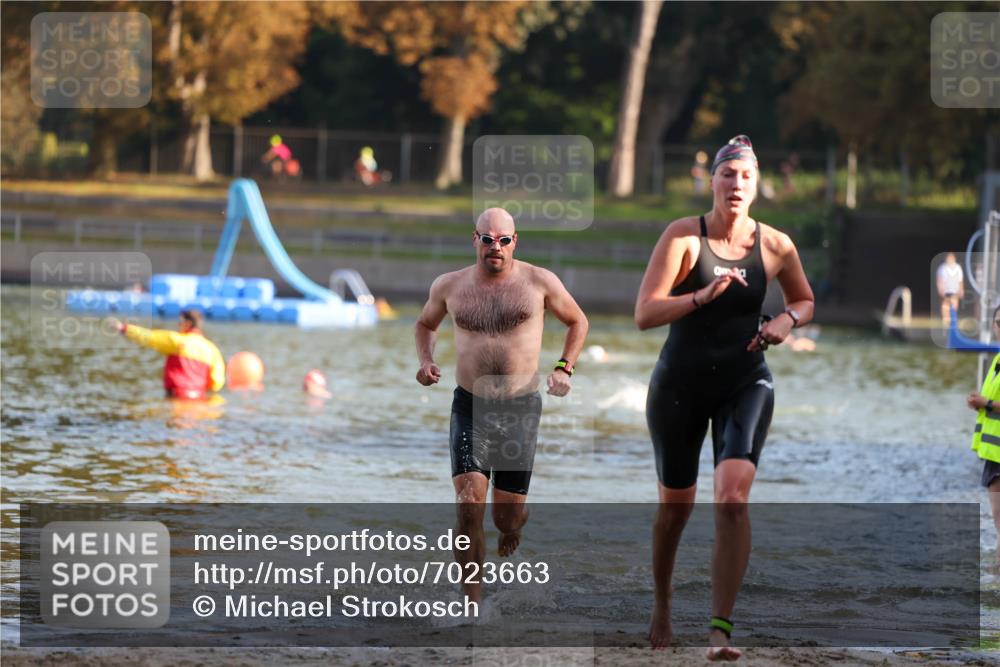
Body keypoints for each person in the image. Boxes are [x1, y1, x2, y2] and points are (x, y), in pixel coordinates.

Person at [634, 135, 815, 659]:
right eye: (727, 175)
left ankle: (720, 630)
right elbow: (644, 314)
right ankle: (664, 602)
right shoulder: (684, 238)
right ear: (711, 181)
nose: (736, 185)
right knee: (676, 510)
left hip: (745, 379)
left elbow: (804, 298)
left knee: (732, 497)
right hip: (680, 385)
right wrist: (700, 296)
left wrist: (785, 318)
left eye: (746, 177)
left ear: (758, 186)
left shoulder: (776, 245)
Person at [414, 207, 588, 604]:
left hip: (519, 409)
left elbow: (578, 321)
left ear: (515, 242)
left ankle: (514, 527)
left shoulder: (539, 282)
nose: (496, 246)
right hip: (469, 406)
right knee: (468, 504)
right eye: (487, 238)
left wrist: (565, 368)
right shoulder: (450, 286)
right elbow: (425, 324)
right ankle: (472, 602)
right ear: (474, 239)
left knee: (504, 518)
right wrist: (426, 362)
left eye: (504, 240)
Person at [109, 309, 225, 400]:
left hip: (176, 396)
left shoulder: (177, 341)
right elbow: (217, 383)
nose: (178, 325)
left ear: (188, 324)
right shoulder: (212, 350)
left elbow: (149, 337)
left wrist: (124, 328)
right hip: (199, 399)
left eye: (180, 322)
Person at [968, 305, 1000, 572]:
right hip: (993, 454)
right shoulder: (997, 360)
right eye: (999, 322)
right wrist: (980, 403)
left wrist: (986, 402)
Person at [937, 252, 964, 326]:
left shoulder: (958, 267)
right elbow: (939, 279)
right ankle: (946, 319)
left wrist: (961, 289)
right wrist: (940, 288)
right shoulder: (942, 267)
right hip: (946, 289)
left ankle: (953, 319)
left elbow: (960, 280)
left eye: (951, 258)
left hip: (955, 289)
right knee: (946, 304)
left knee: (954, 304)